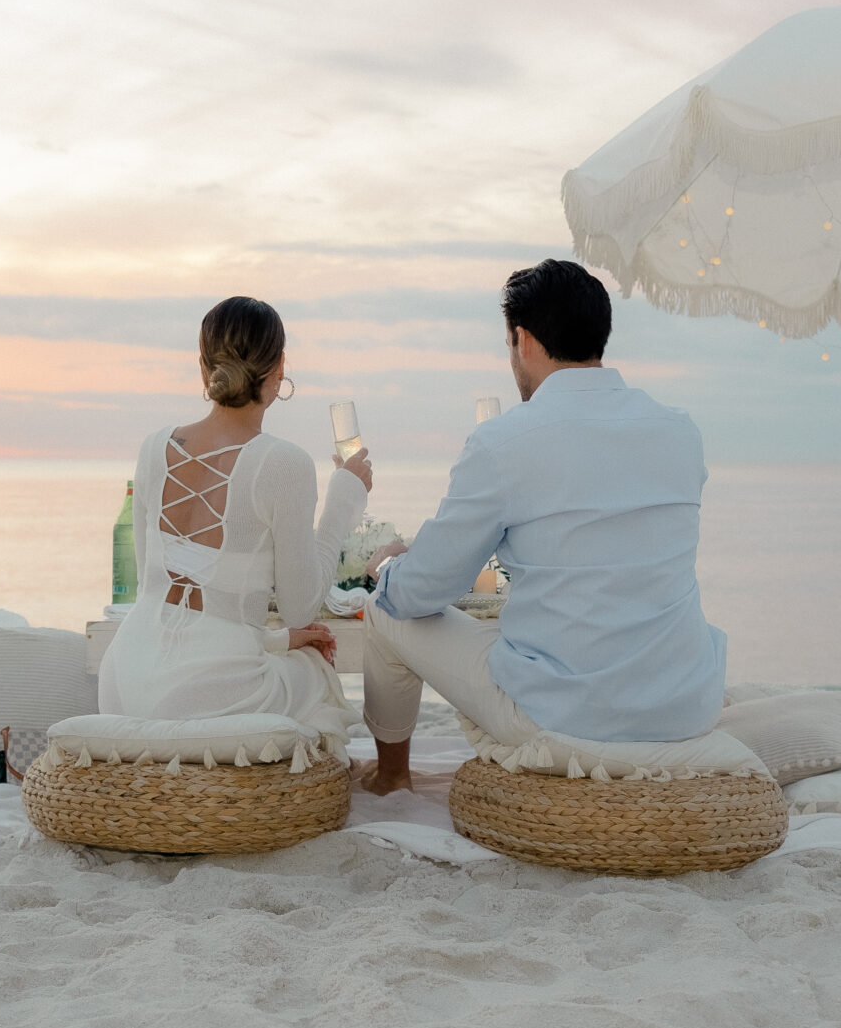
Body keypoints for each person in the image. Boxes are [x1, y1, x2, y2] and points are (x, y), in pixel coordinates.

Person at [358, 258, 725, 793]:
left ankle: (391, 777)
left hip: (568, 714)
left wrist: (389, 566)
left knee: (383, 608)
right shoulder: (679, 432)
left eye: (509, 346)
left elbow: (421, 593)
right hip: (684, 704)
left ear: (522, 340)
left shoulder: (505, 442)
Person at [99, 295, 373, 743]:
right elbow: (301, 607)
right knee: (316, 674)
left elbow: (166, 593)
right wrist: (344, 498)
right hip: (208, 698)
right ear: (279, 366)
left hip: (124, 682)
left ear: (203, 367)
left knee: (288, 652)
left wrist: (282, 640)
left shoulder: (154, 447)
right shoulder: (283, 463)